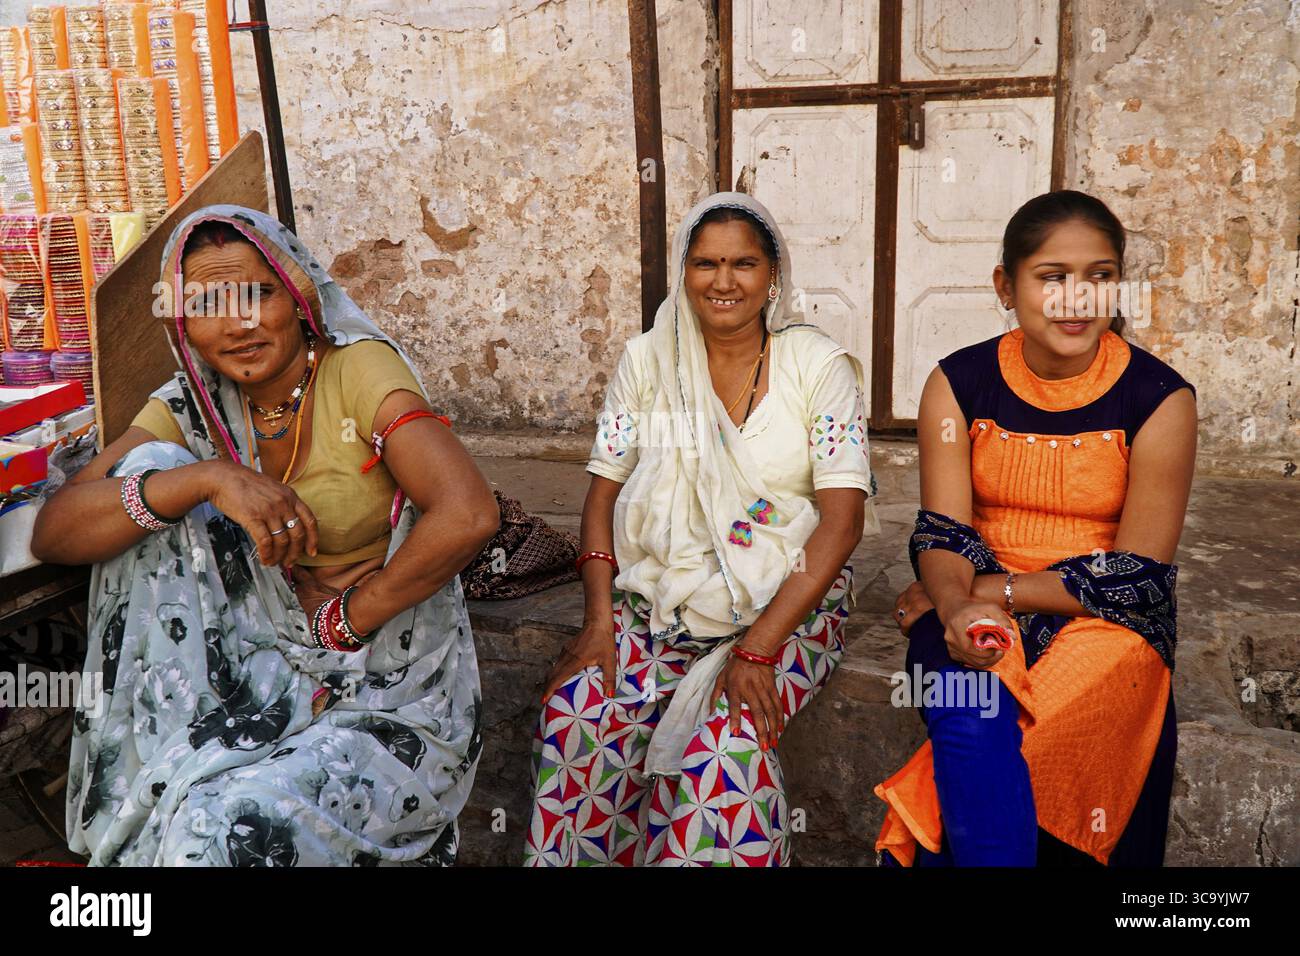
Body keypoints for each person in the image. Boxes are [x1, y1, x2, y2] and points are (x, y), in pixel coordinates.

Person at [31, 205, 499, 866]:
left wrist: (345, 619)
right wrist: (208, 477)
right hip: (256, 682)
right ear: (183, 323)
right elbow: (56, 531)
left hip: (387, 691)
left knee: (221, 830)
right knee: (150, 476)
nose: (239, 322)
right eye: (209, 302)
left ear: (300, 295)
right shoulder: (195, 403)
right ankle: (177, 747)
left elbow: (470, 513)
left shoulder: (355, 371)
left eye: (258, 293)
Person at [525, 192, 878, 866]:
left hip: (788, 605)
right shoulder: (648, 364)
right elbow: (601, 498)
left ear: (774, 276)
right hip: (662, 599)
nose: (724, 281)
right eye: (706, 263)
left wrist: (758, 650)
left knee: (721, 756)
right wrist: (599, 621)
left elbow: (842, 522)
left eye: (743, 263)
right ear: (683, 273)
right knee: (579, 718)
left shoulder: (817, 368)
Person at [876, 190, 1196, 866]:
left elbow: (1135, 577)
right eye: (1053, 277)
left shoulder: (1159, 398)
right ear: (1006, 285)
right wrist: (957, 604)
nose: (1077, 299)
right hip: (974, 599)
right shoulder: (958, 384)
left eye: (1100, 276)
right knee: (969, 715)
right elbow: (943, 532)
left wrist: (981, 591)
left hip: (1108, 622)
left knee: (1051, 732)